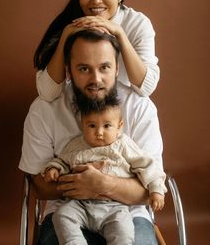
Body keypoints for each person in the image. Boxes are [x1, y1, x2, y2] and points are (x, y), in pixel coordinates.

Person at [19, 29, 163, 245]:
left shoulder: (140, 108)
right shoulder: (44, 110)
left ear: (116, 69)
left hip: (127, 212)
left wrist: (103, 184)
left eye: (104, 67)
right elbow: (39, 186)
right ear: (68, 71)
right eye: (84, 68)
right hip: (69, 209)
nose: (96, 79)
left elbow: (149, 186)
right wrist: (80, 184)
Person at [34, 0, 159, 101]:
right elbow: (47, 93)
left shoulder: (137, 24)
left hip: (120, 110)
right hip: (79, 107)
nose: (96, 0)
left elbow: (146, 88)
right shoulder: (70, 23)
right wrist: (65, 36)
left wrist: (120, 34)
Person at [42, 100, 166, 245]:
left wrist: (156, 190)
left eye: (107, 126)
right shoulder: (76, 146)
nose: (99, 132)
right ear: (83, 125)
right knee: (61, 215)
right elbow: (62, 161)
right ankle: (74, 242)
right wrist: (53, 169)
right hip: (80, 205)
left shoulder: (123, 145)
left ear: (119, 126)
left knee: (124, 230)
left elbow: (147, 166)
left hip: (114, 206)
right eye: (92, 126)